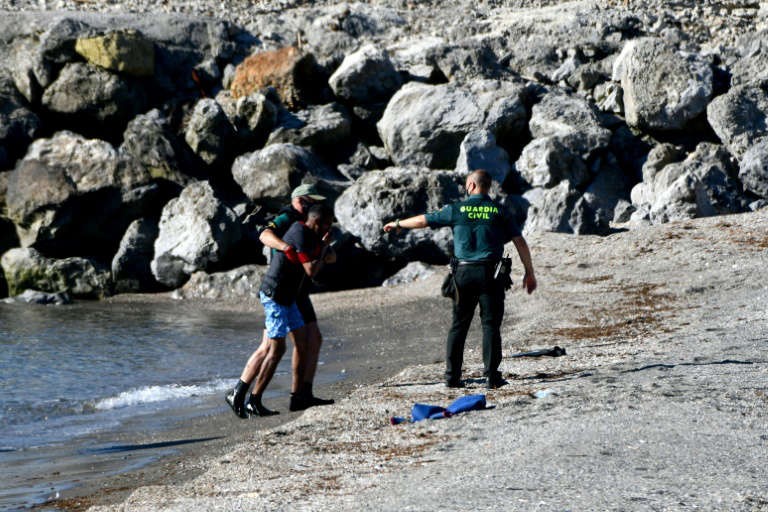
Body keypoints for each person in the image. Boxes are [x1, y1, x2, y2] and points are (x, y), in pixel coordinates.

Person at [383, 169, 537, 389]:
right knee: (490, 325)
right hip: (491, 274)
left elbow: (424, 220)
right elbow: (519, 241)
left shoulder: (456, 209)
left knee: (459, 325)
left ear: (472, 186)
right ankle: (492, 377)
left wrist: (398, 223)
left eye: (467, 184)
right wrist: (529, 272)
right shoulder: (499, 210)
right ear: (487, 186)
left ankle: (452, 377)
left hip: (463, 273)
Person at [227, 203, 336, 417]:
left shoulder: (311, 235)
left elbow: (332, 257)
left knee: (302, 341)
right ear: (316, 222)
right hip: (275, 295)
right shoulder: (299, 232)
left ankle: (298, 397)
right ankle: (252, 399)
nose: (329, 228)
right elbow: (311, 270)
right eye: (327, 224)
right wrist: (324, 248)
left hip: (289, 297)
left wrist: (323, 249)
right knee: (275, 349)